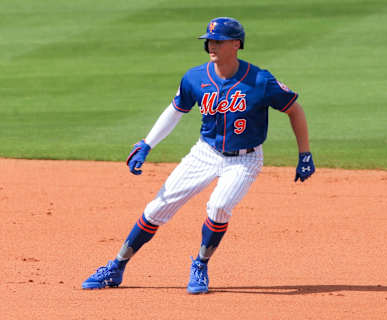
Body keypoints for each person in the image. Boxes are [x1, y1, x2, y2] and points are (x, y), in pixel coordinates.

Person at [82, 17, 315, 294]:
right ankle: (116, 266)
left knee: (218, 206)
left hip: (245, 159)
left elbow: (294, 110)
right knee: (157, 208)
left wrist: (305, 154)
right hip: (205, 152)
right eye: (209, 41)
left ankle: (200, 265)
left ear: (237, 44)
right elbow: (175, 110)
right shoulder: (195, 77)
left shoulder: (260, 80)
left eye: (218, 40)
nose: (211, 45)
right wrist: (147, 143)